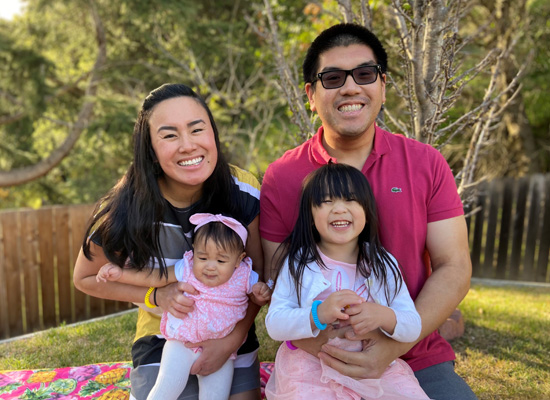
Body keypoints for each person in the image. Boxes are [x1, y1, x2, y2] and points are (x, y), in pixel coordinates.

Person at [259, 23, 476, 399]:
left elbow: (454, 265)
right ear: (311, 94)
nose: (350, 87)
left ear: (382, 86)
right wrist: (332, 351)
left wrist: (392, 348)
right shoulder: (283, 176)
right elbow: (281, 277)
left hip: (414, 351)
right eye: (332, 77)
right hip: (317, 356)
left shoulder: (425, 163)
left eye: (364, 74)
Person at [74, 83, 264, 400]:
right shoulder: (129, 203)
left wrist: (231, 340)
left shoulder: (242, 189)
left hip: (228, 327)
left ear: (213, 134)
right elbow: (85, 277)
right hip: (163, 333)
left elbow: (257, 274)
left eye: (196, 129)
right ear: (149, 148)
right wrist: (155, 295)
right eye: (169, 135)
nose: (188, 145)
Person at [264, 163, 430, 400]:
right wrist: (317, 314)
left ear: (367, 210)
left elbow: (412, 325)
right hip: (311, 367)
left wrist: (382, 315)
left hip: (374, 370)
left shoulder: (383, 263)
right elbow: (275, 324)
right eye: (327, 201)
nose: (339, 209)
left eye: (351, 199)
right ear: (310, 215)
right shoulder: (298, 263)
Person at [96, 213, 271, 400]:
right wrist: (121, 274)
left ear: (238, 260)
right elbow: (155, 276)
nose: (210, 266)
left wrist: (261, 293)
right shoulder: (187, 267)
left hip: (221, 349)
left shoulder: (244, 275)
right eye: (203, 257)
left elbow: (257, 297)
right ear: (194, 252)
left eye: (221, 261)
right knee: (165, 389)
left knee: (215, 396)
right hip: (181, 343)